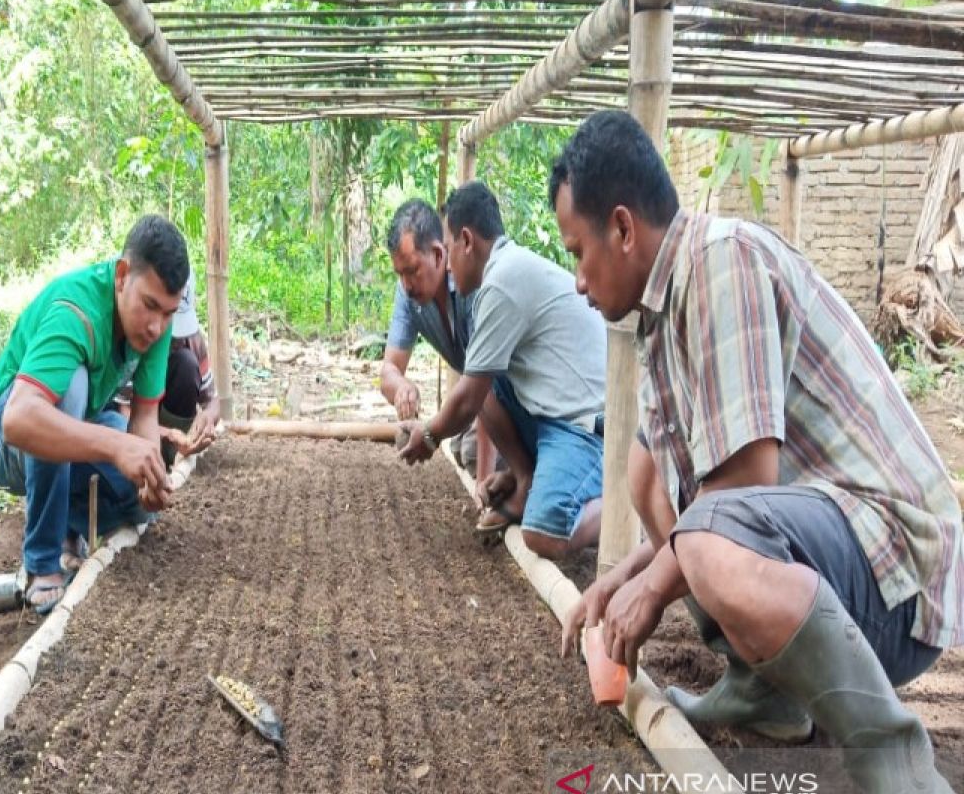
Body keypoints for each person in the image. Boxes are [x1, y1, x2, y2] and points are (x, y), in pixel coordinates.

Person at [554, 110, 961, 793]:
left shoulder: (721, 262)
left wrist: (652, 591)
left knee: (710, 536)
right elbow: (705, 509)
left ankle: (900, 769)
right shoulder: (661, 319)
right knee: (646, 467)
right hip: (834, 556)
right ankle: (768, 692)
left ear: (622, 229)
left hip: (899, 574)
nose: (577, 280)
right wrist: (618, 582)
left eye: (576, 252)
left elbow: (735, 499)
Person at [0, 215, 188, 614]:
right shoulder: (75, 311)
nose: (157, 326)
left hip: (74, 426)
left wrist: (149, 481)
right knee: (69, 389)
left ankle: (70, 525)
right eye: (151, 306)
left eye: (169, 312)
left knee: (135, 502)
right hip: (3, 437)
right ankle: (42, 562)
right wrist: (117, 445)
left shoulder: (156, 326)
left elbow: (143, 419)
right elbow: (19, 420)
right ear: (123, 276)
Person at [399, 181, 608, 560]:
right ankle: (526, 480)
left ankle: (622, 508)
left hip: (583, 426)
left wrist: (429, 435)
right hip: (551, 414)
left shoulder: (503, 281)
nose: (448, 265)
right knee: (487, 387)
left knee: (544, 533)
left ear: (466, 240)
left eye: (447, 251)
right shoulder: (500, 276)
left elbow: (465, 401)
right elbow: (479, 390)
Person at [381, 198, 481, 474]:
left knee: (472, 450)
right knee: (462, 446)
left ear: (439, 254)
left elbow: (484, 382)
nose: (406, 284)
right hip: (482, 392)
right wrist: (401, 386)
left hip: (501, 388)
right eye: (400, 274)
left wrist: (430, 433)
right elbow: (388, 370)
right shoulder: (407, 293)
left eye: (412, 270)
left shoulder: (471, 282)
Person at [113, 267, 219, 466]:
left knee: (187, 364)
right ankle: (151, 455)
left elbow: (213, 401)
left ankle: (169, 455)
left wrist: (207, 417)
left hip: (164, 420)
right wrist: (167, 433)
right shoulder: (139, 337)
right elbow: (123, 414)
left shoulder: (191, 340)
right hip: (132, 425)